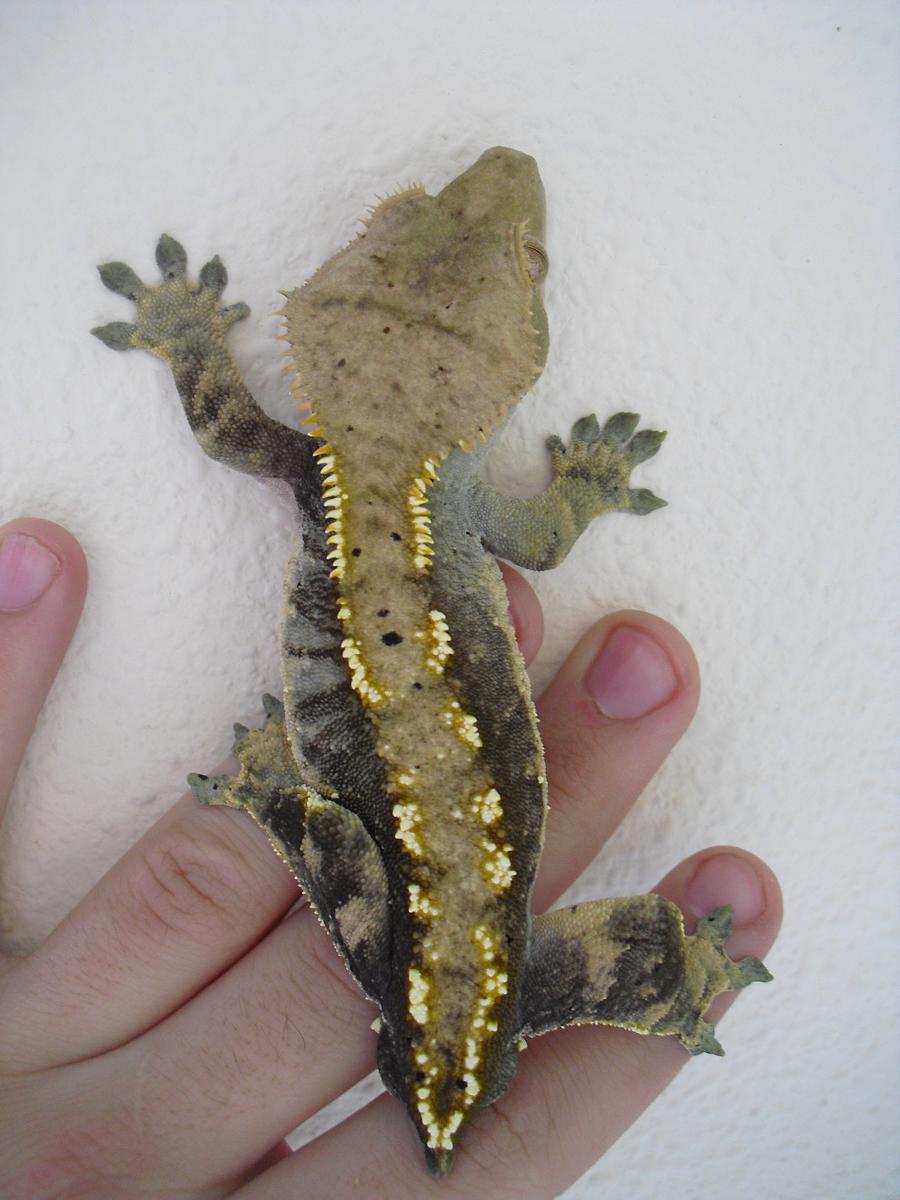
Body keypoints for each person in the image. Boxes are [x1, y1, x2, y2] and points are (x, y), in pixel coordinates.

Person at [0, 516, 781, 1198]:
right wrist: (269, 796)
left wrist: (266, 796)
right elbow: (332, 842)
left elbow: (333, 844)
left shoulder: (466, 972)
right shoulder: (392, 957)